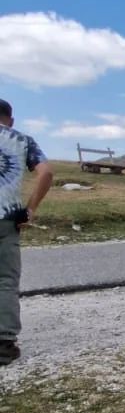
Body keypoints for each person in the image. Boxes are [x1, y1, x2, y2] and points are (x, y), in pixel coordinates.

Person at [0, 99, 54, 365]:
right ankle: (4, 344)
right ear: (10, 119)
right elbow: (46, 173)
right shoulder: (21, 140)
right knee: (5, 281)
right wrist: (30, 209)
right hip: (6, 219)